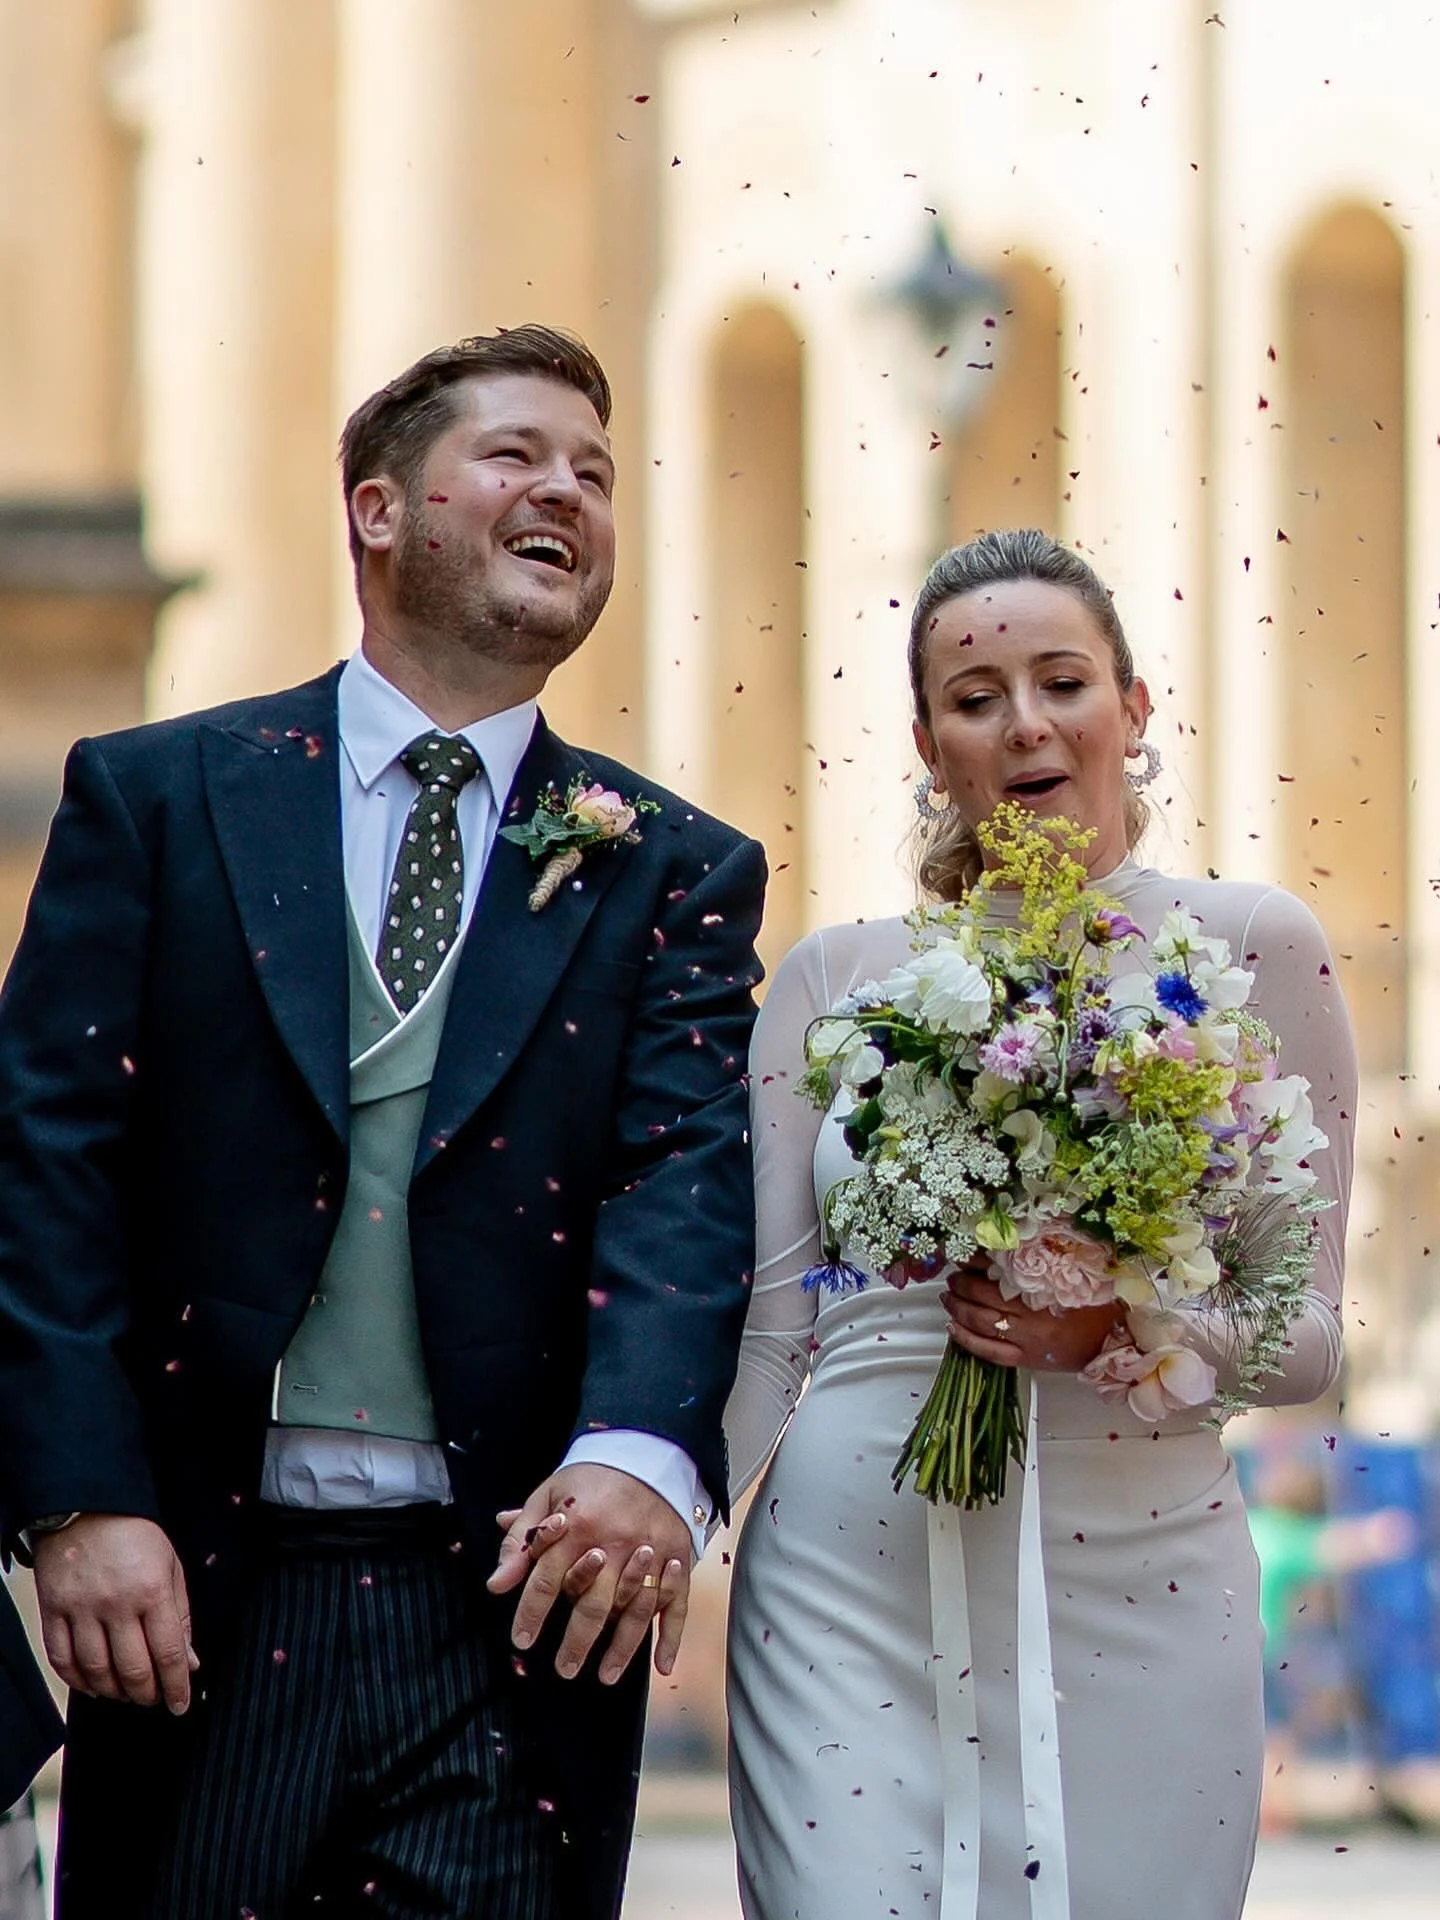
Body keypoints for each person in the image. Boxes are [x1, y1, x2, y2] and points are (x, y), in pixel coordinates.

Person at [0, 325, 766, 1920]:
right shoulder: (159, 796)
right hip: (194, 1593)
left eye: (597, 475)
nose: (567, 489)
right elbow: (46, 1162)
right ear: (378, 510)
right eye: (516, 455)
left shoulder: (675, 866)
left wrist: (642, 1453)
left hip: (504, 1608)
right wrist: (82, 1498)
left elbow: (683, 1175)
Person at [725, 528, 1357, 1919]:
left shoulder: (1258, 945)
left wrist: (1125, 1321)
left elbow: (1309, 1341)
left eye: (1063, 681)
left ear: (1133, 712)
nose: (1024, 722)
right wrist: (667, 1517)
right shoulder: (839, 972)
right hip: (852, 1570)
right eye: (974, 697)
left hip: (1143, 1560)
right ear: (929, 745)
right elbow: (774, 1324)